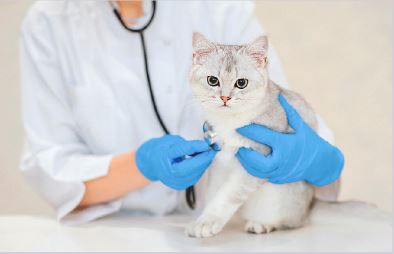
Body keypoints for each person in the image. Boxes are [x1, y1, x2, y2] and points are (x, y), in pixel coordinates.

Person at [19, 0, 343, 225]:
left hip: (232, 230)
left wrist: (319, 161)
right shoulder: (48, 22)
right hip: (118, 233)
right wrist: (142, 164)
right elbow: (53, 170)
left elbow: (278, 109)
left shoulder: (216, 6)